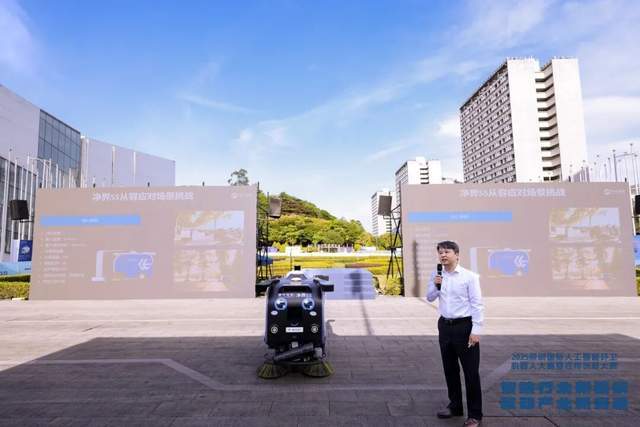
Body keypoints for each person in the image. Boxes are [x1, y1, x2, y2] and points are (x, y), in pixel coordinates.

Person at [427, 240, 484, 427]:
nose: (443, 255)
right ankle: (455, 406)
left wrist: (476, 330)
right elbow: (429, 297)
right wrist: (436, 285)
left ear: (457, 255)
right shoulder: (437, 275)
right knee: (450, 369)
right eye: (440, 252)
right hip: (445, 326)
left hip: (464, 327)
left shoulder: (469, 277)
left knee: (470, 372)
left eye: (447, 252)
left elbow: (477, 304)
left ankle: (475, 414)